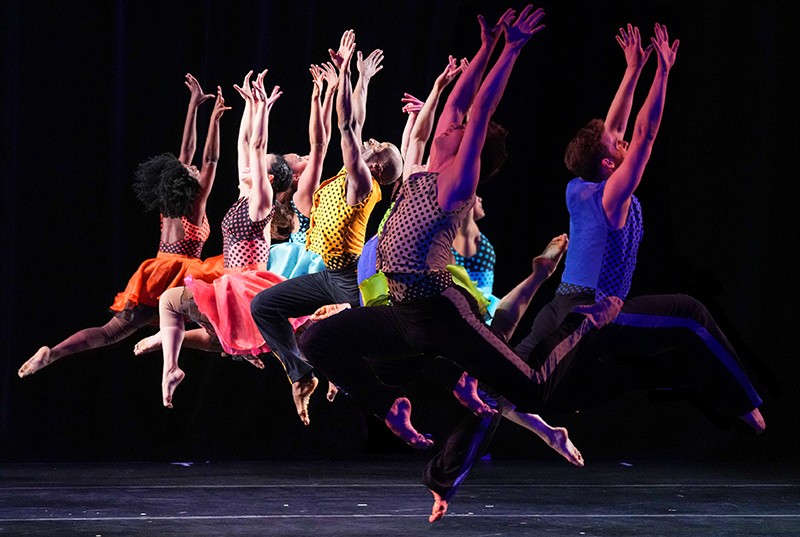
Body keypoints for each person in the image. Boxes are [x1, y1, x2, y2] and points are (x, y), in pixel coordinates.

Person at [425, 22, 767, 523]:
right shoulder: (612, 196)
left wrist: (632, 70)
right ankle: (745, 403)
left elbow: (618, 130)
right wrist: (662, 73)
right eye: (616, 141)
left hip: (560, 301)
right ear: (610, 161)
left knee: (500, 383)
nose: (622, 137)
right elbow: (646, 134)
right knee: (691, 314)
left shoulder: (579, 186)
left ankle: (443, 482)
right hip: (593, 314)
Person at [299, 6, 575, 450]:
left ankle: (584, 338)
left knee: (531, 387)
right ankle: (390, 408)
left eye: (461, 128)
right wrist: (484, 47)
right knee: (315, 340)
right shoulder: (428, 168)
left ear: (472, 145)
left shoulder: (456, 184)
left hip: (442, 313)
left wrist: (511, 49)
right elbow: (459, 104)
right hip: (403, 313)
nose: (453, 123)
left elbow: (480, 110)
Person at [18, 75, 227, 378]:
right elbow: (210, 158)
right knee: (220, 319)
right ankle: (202, 351)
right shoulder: (196, 206)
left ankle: (53, 353)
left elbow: (186, 152)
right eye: (193, 172)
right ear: (192, 186)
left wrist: (193, 106)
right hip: (182, 275)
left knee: (110, 332)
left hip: (154, 272)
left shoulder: (170, 203)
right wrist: (216, 121)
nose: (193, 168)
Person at [250, 30, 403, 426]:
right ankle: (300, 375)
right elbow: (348, 127)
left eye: (377, 145)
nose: (370, 141)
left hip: (350, 279)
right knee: (264, 306)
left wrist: (347, 72)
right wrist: (362, 80)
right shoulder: (348, 171)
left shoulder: (361, 184)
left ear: (378, 168)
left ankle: (375, 397)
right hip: (326, 273)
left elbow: (349, 126)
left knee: (342, 346)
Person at [157, 70, 295, 408]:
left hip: (246, 287)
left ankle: (169, 363)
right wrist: (250, 106)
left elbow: (258, 144)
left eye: (258, 165)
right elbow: (245, 144)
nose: (250, 164)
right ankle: (168, 358)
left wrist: (263, 108)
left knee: (171, 304)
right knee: (218, 335)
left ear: (270, 177)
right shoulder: (243, 195)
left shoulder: (262, 201)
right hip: (230, 283)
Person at [268, 62, 338, 278]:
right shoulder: (303, 194)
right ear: (295, 176)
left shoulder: (295, 197)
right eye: (299, 158)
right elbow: (319, 144)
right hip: (309, 266)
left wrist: (328, 96)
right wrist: (317, 97)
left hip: (298, 262)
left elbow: (322, 141)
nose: (306, 156)